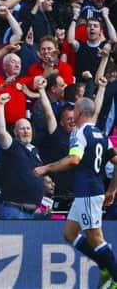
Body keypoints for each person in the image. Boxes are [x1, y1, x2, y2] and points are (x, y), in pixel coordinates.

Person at [33, 97, 117, 289]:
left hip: (88, 191)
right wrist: (112, 189)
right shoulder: (101, 134)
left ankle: (114, 275)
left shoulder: (79, 133)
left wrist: (46, 168)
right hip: (88, 192)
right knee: (69, 234)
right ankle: (105, 269)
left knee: (96, 239)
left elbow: (74, 159)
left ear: (79, 112)